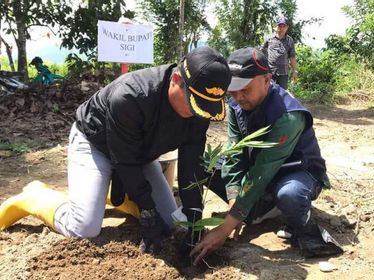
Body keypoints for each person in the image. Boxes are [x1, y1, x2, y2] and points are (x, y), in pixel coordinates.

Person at [0, 46, 231, 254]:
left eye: (204, 107)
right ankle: (36, 196)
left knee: (171, 223)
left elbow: (191, 164)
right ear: (176, 79)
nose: (196, 112)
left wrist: (193, 217)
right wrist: (148, 211)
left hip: (140, 154)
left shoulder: (201, 110)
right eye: (193, 103)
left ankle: (109, 195)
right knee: (84, 227)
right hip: (95, 144)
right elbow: (126, 161)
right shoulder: (131, 96)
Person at [190, 47, 341, 265]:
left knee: (290, 194)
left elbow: (262, 172)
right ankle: (257, 210)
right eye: (233, 91)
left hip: (293, 173)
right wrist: (234, 202)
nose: (238, 97)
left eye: (245, 90)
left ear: (267, 79)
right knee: (204, 164)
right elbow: (234, 154)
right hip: (259, 174)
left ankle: (299, 223)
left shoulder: (288, 115)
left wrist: (225, 228)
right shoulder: (235, 104)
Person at [262, 16, 298, 90]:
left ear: (287, 27)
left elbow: (292, 57)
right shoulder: (268, 38)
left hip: (283, 73)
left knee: (281, 95)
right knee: (268, 93)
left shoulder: (290, 40)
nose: (281, 28)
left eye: (284, 26)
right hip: (269, 72)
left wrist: (294, 71)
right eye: (280, 25)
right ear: (276, 26)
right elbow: (262, 53)